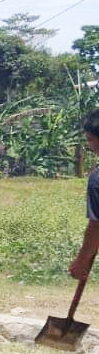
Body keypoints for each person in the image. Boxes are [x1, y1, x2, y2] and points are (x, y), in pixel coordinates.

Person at [68, 109, 99, 281]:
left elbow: (96, 226)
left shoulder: (97, 180)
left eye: (90, 139)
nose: (89, 145)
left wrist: (81, 261)